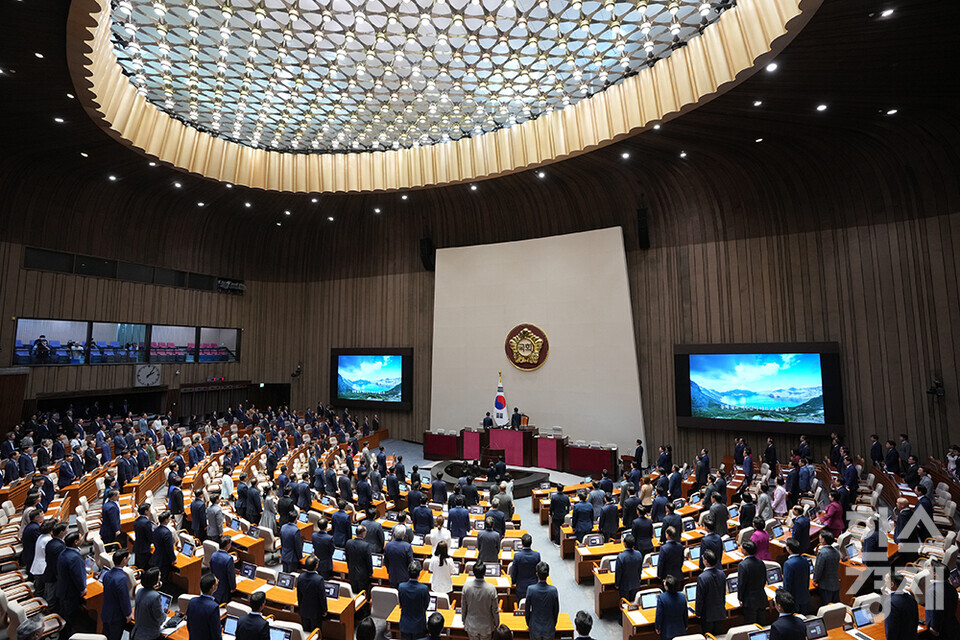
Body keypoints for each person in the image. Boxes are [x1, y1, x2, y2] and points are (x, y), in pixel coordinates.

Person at [56, 532, 86, 639]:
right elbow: (78, 577)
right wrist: (83, 589)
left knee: (64, 613)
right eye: (80, 537)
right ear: (76, 542)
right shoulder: (74, 558)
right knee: (69, 617)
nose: (82, 538)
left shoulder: (63, 552)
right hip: (70, 592)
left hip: (62, 588)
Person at [462, 561, 499, 640]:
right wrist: (497, 623)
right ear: (485, 573)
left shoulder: (466, 586)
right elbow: (495, 610)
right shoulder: (491, 589)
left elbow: (463, 606)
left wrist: (463, 620)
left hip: (471, 625)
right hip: (486, 626)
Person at [101, 550, 133, 640]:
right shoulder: (121, 578)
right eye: (128, 558)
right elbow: (124, 599)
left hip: (106, 612)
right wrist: (128, 614)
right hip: (116, 617)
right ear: (124, 560)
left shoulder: (107, 574)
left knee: (105, 636)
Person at [525, 562, 560, 640]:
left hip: (534, 627)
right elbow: (556, 610)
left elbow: (527, 610)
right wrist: (553, 623)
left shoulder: (530, 590)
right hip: (549, 628)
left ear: (537, 574)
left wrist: (529, 623)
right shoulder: (553, 590)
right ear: (548, 574)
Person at [696, 549, 726, 635]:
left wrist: (698, 613)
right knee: (718, 636)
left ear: (705, 561)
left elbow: (700, 598)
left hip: (707, 614)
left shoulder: (702, 577)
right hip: (720, 611)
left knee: (708, 636)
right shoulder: (722, 574)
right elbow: (723, 593)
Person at [398, 560, 430, 640]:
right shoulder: (424, 589)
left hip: (405, 625)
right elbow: (426, 605)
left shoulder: (401, 587)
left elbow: (401, 604)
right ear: (419, 573)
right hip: (418, 626)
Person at [737, 540, 767, 624]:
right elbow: (764, 579)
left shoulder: (743, 565)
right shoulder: (761, 562)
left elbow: (741, 584)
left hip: (749, 600)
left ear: (745, 551)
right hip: (761, 597)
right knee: (762, 624)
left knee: (752, 625)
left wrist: (740, 598)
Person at [297, 555, 328, 632]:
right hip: (315, 611)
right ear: (316, 566)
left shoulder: (300, 577)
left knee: (306, 632)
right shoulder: (319, 579)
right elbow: (322, 596)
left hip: (304, 610)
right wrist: (324, 610)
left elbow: (299, 595)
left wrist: (300, 607)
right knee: (316, 633)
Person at [926, 566, 960, 637]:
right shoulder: (952, 588)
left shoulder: (932, 590)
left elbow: (936, 612)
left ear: (935, 574)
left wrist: (934, 628)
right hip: (953, 626)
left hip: (941, 631)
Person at [132, 568, 165, 640]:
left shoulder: (139, 591)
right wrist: (165, 616)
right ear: (155, 579)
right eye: (159, 575)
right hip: (149, 635)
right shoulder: (155, 596)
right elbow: (159, 617)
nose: (160, 577)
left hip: (137, 632)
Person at [186, 573, 222, 640]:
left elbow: (189, 625)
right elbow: (216, 634)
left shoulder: (192, 601)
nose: (218, 582)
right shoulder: (214, 607)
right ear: (213, 587)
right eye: (217, 582)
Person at [885, 571, 919, 640]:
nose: (885, 583)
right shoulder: (911, 598)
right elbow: (916, 621)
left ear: (892, 584)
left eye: (886, 581)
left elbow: (891, 630)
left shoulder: (891, 603)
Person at [783, 538, 812, 614]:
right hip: (805, 596)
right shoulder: (805, 560)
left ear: (788, 548)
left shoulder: (788, 564)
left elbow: (787, 584)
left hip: (794, 599)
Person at [654, 574, 688, 640]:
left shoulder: (661, 598)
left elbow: (659, 615)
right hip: (681, 629)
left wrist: (657, 627)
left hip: (667, 631)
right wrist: (686, 625)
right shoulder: (682, 597)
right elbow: (685, 613)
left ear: (667, 587)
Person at [509, 533, 541, 603]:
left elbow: (514, 571)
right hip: (534, 586)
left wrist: (513, 581)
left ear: (522, 544)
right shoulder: (537, 555)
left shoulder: (517, 556)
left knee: (521, 606)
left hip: (521, 587)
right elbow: (539, 571)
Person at [614, 533, 644, 603]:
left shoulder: (621, 557)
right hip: (635, 582)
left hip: (624, 585)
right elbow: (639, 569)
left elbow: (618, 573)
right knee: (633, 603)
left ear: (624, 544)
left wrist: (617, 584)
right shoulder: (639, 554)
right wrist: (639, 579)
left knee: (625, 604)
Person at [813, 531, 841, 605]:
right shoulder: (836, 551)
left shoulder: (822, 553)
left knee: (826, 606)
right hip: (835, 583)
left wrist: (815, 580)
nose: (819, 537)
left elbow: (819, 569)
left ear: (823, 540)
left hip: (825, 585)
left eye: (820, 536)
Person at [42, 522, 67, 604]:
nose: (68, 530)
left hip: (48, 571)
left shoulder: (51, 542)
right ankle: (49, 615)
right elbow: (58, 564)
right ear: (61, 532)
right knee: (51, 599)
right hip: (53, 576)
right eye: (66, 529)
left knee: (48, 594)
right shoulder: (59, 547)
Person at [345, 524, 373, 595]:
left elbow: (347, 557)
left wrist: (349, 567)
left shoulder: (348, 543)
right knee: (362, 595)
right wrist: (370, 572)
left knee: (354, 593)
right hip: (363, 575)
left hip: (352, 573)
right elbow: (368, 561)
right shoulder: (366, 546)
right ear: (363, 533)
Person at [150, 511, 177, 583]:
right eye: (169, 518)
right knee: (163, 578)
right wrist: (173, 558)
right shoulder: (167, 532)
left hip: (157, 555)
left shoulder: (156, 529)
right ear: (166, 520)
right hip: (164, 559)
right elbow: (169, 548)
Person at [211, 536, 236, 604]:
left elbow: (212, 570)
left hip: (215, 585)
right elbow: (230, 575)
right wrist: (233, 587)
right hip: (225, 588)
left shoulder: (213, 555)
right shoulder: (228, 559)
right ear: (227, 545)